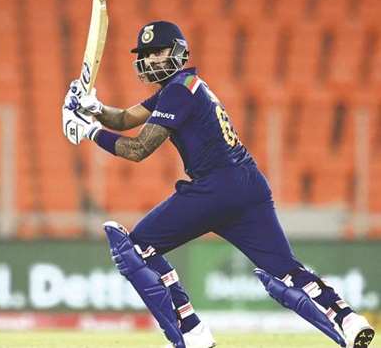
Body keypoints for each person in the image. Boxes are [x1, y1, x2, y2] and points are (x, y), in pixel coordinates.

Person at [61, 21, 375, 348]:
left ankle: (191, 331)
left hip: (216, 187)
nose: (151, 59)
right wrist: (94, 109)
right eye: (146, 54)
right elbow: (125, 118)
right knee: (287, 271)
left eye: (158, 52)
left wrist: (89, 131)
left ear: (178, 52)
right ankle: (349, 320)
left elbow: (139, 149)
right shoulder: (185, 86)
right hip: (249, 185)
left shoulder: (177, 92)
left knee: (136, 249)